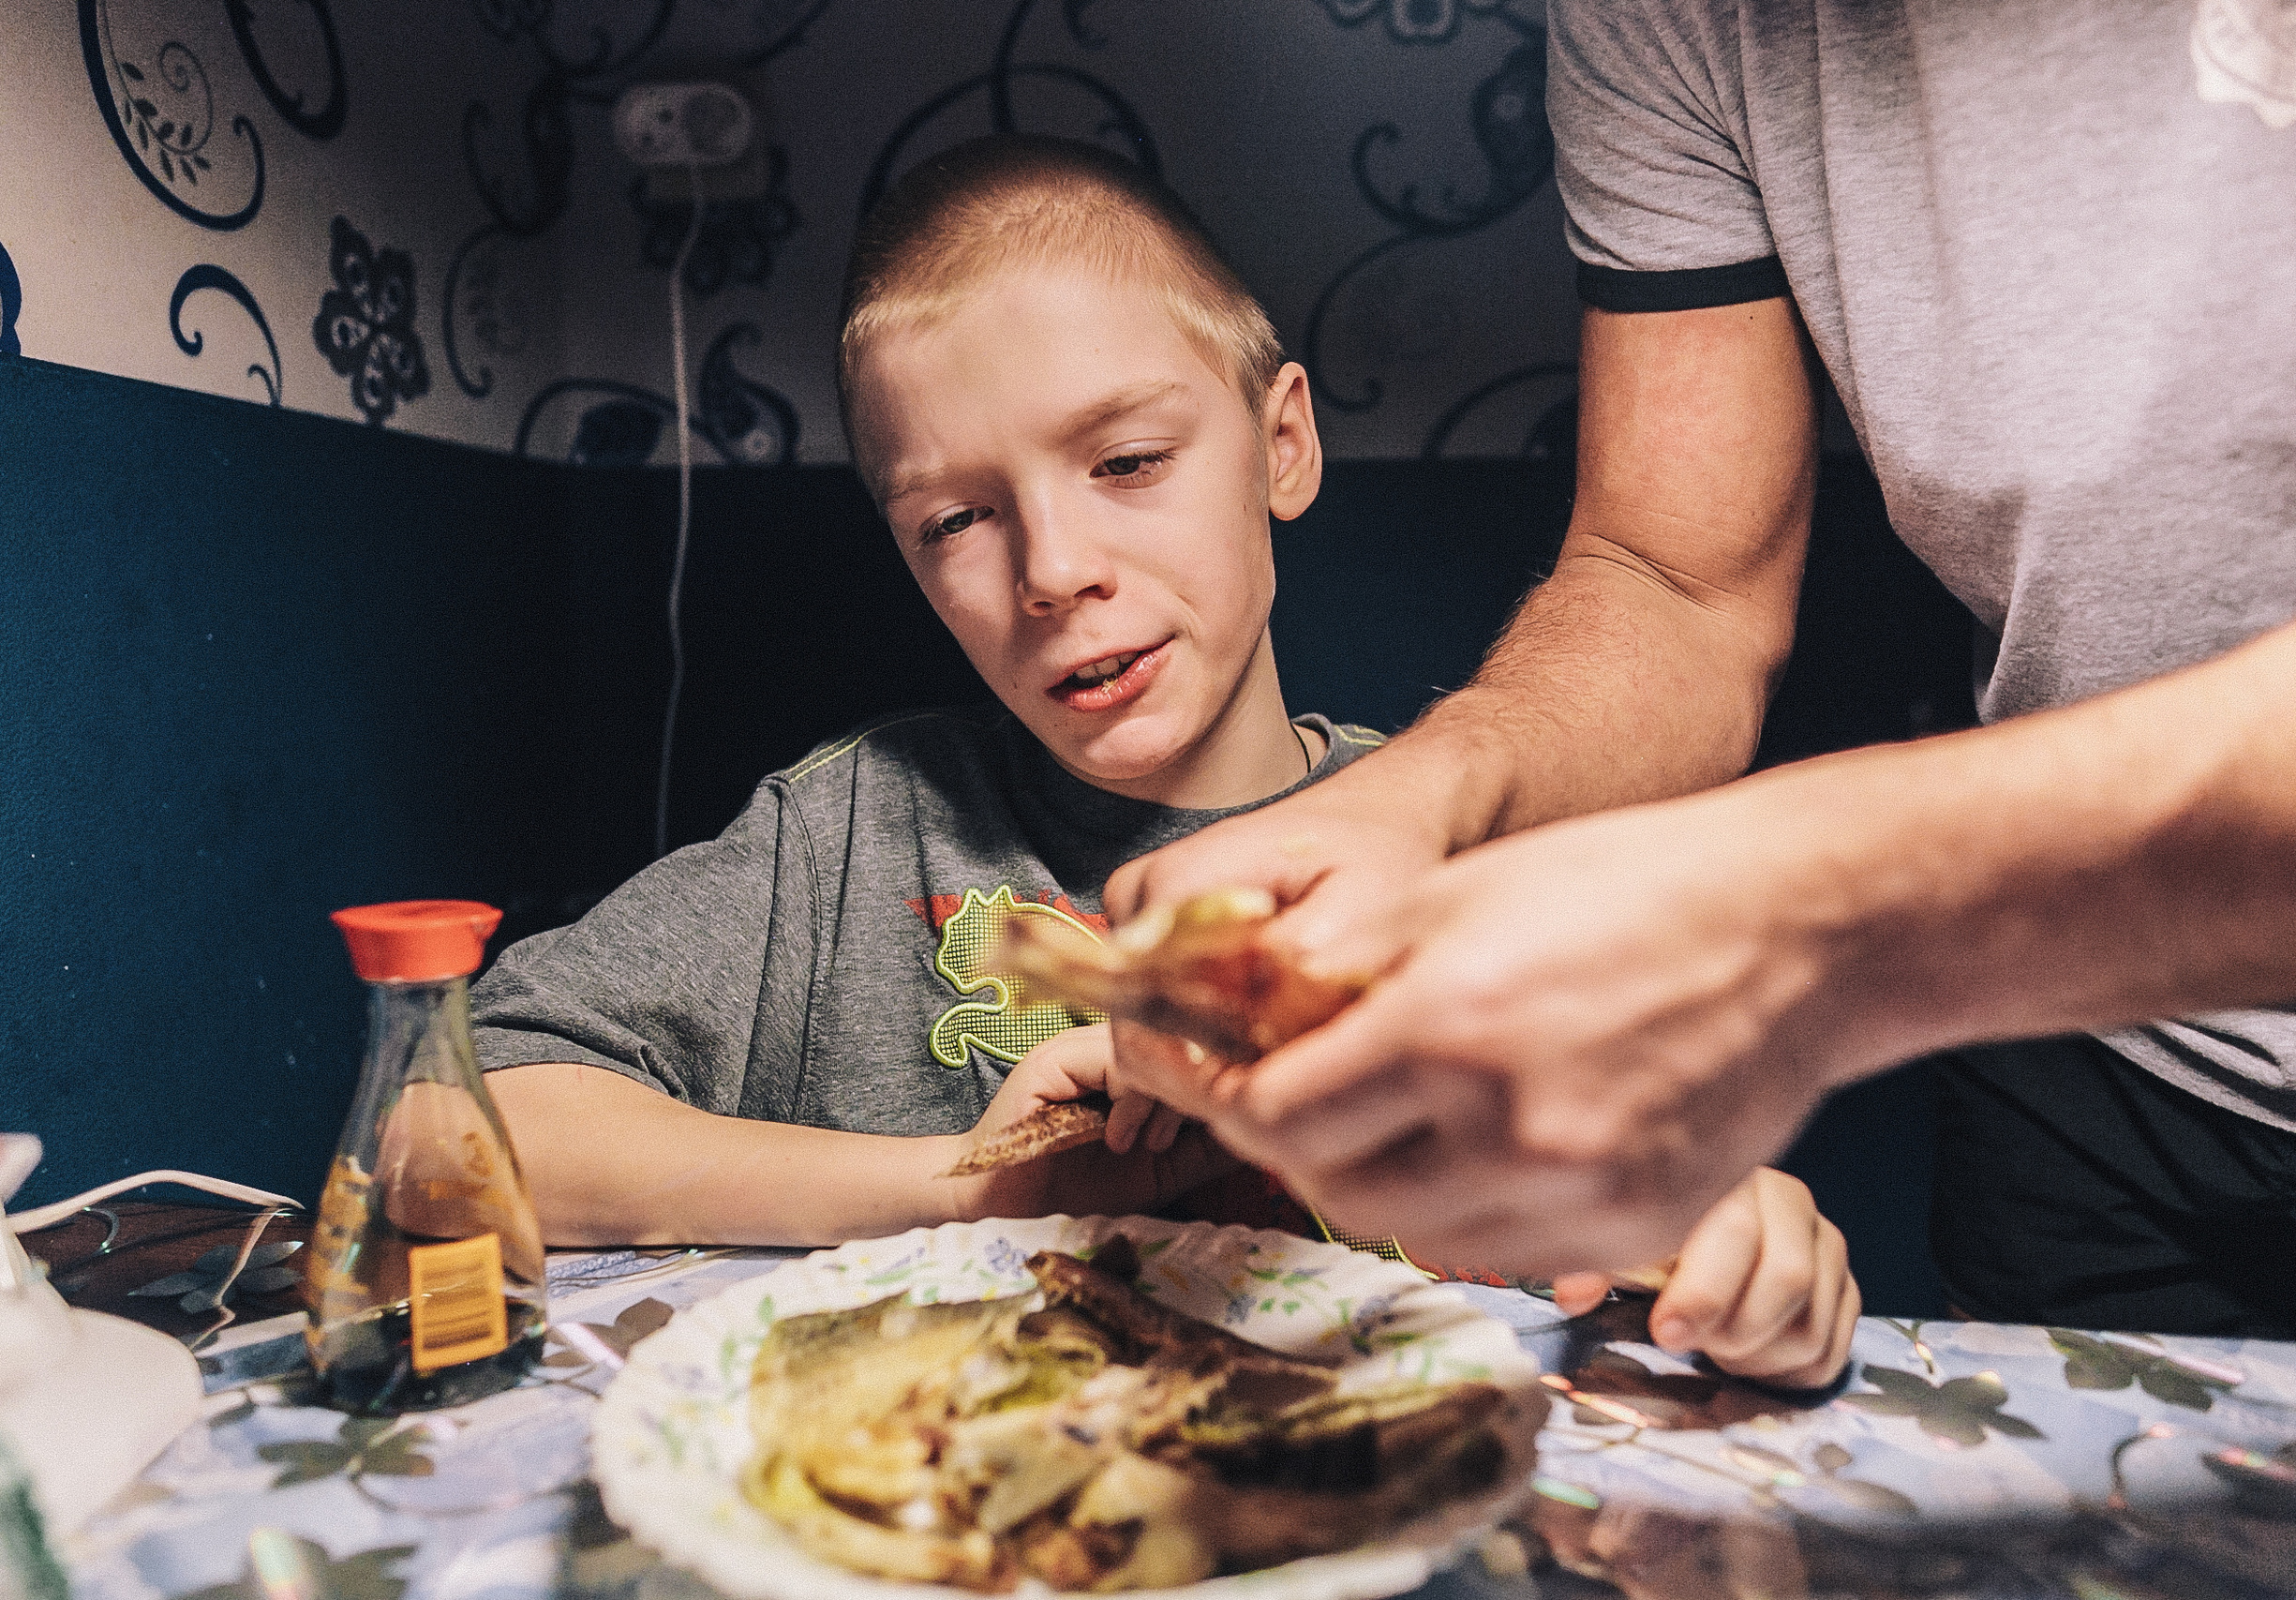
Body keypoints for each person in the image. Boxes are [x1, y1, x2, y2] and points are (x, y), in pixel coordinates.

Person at [470, 135, 1862, 1386]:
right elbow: (447, 1126)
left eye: (1127, 461)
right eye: (957, 519)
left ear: (1282, 445)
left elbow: (1660, 1228)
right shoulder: (842, 842)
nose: (1056, 571)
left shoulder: (1476, 865)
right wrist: (963, 1187)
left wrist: (1742, 1255)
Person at [1107, 3, 2296, 1342]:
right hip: (2081, 1053)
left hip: (2013, 933)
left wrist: (1807, 913)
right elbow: (1681, 582)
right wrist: (1421, 800)